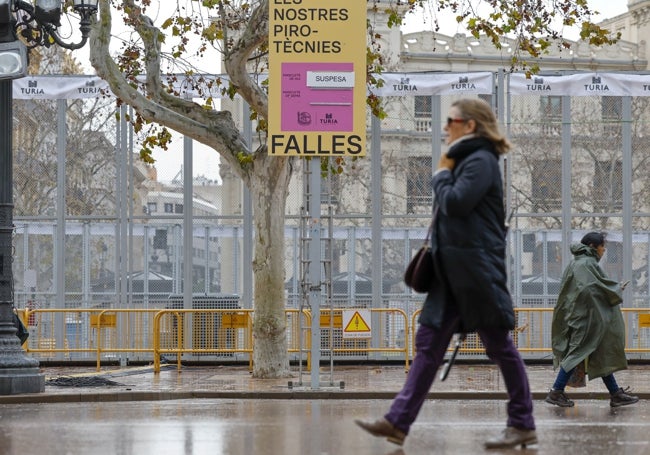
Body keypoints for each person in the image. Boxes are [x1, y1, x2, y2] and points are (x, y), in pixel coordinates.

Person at [355, 98, 536, 449]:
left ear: (469, 125)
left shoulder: (481, 160)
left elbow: (456, 202)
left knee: (500, 347)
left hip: (476, 273)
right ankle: (397, 422)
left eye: (451, 120)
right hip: (453, 274)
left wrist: (438, 174)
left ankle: (522, 423)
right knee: (427, 346)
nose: (444, 127)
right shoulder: (468, 160)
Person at [545, 231, 639, 408]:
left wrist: (610, 290)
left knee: (599, 352)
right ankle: (556, 392)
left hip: (583, 317)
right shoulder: (586, 263)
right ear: (592, 247)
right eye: (603, 246)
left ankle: (615, 394)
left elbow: (589, 288)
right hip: (586, 320)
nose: (604, 250)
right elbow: (589, 289)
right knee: (577, 353)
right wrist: (614, 290)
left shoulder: (579, 263)